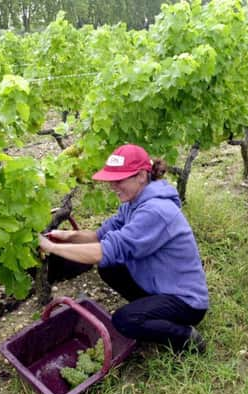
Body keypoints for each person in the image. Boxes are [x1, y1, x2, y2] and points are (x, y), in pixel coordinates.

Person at [39, 144, 209, 353]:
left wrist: (51, 248)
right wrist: (63, 236)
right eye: (112, 180)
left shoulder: (156, 211)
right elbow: (99, 235)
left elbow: (103, 250)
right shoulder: (133, 202)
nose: (113, 186)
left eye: (119, 180)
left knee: (124, 321)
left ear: (140, 176)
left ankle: (186, 338)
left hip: (186, 302)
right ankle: (151, 311)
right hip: (161, 286)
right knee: (109, 267)